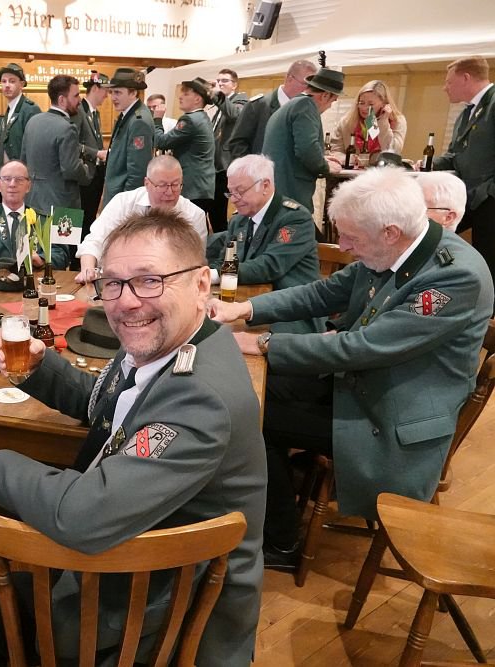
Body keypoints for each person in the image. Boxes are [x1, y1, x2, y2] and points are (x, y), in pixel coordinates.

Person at [0, 210, 266, 667]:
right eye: (113, 283)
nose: (126, 302)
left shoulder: (201, 398)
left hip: (161, 616)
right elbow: (110, 406)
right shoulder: (180, 345)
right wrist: (38, 368)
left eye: (149, 281)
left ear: (201, 284)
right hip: (136, 557)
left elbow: (82, 517)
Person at [208, 167, 494, 570]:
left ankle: (282, 541)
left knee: (252, 418)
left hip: (391, 415)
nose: (342, 247)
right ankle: (261, 499)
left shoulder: (455, 276)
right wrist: (245, 309)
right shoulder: (406, 244)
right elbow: (325, 291)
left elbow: (363, 347)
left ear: (390, 232)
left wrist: (262, 342)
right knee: (247, 393)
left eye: (352, 238)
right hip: (360, 385)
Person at [205, 155, 320, 333]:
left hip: (290, 314)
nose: (233, 199)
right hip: (247, 305)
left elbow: (269, 266)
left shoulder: (295, 218)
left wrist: (216, 274)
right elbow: (224, 260)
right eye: (230, 192)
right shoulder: (239, 220)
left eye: (240, 191)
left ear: (265, 185)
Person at [76, 155, 207, 281]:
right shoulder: (123, 203)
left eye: (175, 185)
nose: (169, 192)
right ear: (147, 183)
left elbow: (195, 263)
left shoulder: (194, 215)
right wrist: (88, 270)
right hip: (122, 277)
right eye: (162, 185)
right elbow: (95, 240)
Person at [427, 55, 495, 295]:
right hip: (467, 196)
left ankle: (485, 312)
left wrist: (489, 191)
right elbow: (455, 155)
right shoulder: (466, 113)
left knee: (489, 261)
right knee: (433, 238)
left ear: (466, 78)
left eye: (449, 82)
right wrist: (425, 164)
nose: (445, 88)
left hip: (488, 198)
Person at [262, 67, 345, 213]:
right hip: (291, 190)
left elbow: (291, 146)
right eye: (333, 101)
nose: (330, 106)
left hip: (278, 188)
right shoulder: (306, 106)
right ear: (325, 95)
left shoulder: (292, 105)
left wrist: (322, 158)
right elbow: (307, 149)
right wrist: (325, 166)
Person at [0, 160, 69, 270]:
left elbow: (61, 254)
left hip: (34, 278)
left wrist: (41, 260)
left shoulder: (43, 219)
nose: (12, 184)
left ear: (28, 186)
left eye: (19, 180)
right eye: (7, 179)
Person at [20, 74, 93, 215]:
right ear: (61, 100)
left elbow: (23, 161)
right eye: (76, 96)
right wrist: (86, 170)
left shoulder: (33, 122)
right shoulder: (67, 128)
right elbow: (71, 169)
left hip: (32, 202)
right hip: (63, 207)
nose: (79, 100)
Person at [228, 60, 318, 161]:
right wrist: (252, 167)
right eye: (306, 84)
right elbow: (237, 143)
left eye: (312, 87)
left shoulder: (305, 109)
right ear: (289, 79)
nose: (309, 90)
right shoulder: (259, 105)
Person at [153, 77, 216, 215]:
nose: (180, 97)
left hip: (193, 187)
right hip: (202, 185)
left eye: (186, 94)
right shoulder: (202, 117)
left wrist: (157, 119)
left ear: (197, 99)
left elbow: (161, 142)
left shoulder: (190, 120)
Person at [101, 67, 154, 208]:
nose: (113, 98)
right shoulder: (129, 115)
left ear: (133, 93)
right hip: (117, 195)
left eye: (118, 92)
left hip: (123, 199)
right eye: (112, 92)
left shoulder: (138, 121)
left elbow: (137, 171)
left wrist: (127, 204)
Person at [208, 69, 249, 232]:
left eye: (224, 81)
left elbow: (234, 115)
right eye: (218, 81)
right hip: (216, 164)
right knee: (215, 210)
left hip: (227, 164)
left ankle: (224, 241)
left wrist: (218, 95)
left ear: (235, 85)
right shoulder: (222, 104)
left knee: (219, 210)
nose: (220, 84)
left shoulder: (240, 101)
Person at [328, 80, 407, 163]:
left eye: (370, 104)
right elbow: (335, 151)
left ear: (384, 104)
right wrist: (350, 159)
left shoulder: (397, 121)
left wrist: (383, 122)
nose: (364, 108)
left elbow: (393, 151)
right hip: (350, 169)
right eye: (362, 103)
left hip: (381, 170)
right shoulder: (346, 122)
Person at [79, 71, 109, 239]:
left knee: (90, 219)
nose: (107, 95)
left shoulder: (94, 113)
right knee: (82, 222)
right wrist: (97, 153)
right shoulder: (79, 111)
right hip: (83, 177)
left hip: (95, 176)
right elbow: (71, 144)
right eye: (106, 90)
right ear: (96, 88)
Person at [0, 63, 39, 166]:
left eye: (12, 81)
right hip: (6, 170)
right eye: (4, 81)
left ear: (21, 84)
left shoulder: (30, 109)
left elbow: (35, 147)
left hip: (22, 170)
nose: (7, 85)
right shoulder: (9, 110)